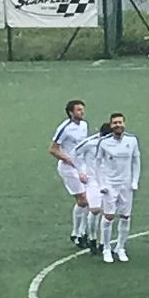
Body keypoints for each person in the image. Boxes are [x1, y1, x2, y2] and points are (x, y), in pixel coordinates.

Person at [93, 113, 140, 263]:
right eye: (115, 123)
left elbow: (136, 161)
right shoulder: (104, 143)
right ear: (111, 125)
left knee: (125, 216)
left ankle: (120, 247)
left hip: (126, 185)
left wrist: (135, 181)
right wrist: (102, 184)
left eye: (120, 122)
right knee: (109, 217)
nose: (118, 125)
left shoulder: (132, 140)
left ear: (124, 123)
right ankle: (106, 248)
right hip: (110, 185)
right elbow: (97, 163)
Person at [49, 99, 91, 248]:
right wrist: (68, 159)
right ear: (71, 112)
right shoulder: (64, 128)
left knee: (88, 200)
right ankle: (77, 233)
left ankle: (81, 232)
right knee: (83, 200)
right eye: (78, 110)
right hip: (68, 169)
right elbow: (53, 149)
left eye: (82, 109)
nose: (82, 112)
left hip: (82, 166)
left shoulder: (84, 125)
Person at [73, 121, 113, 255]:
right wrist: (80, 171)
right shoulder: (90, 143)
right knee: (95, 210)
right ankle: (92, 239)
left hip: (109, 181)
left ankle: (104, 244)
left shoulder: (116, 144)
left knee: (108, 213)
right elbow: (74, 153)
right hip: (93, 181)